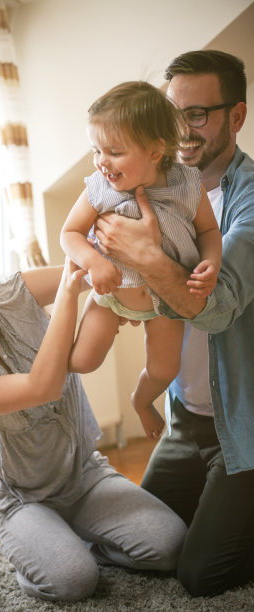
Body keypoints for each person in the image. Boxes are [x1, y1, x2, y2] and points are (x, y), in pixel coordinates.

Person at [0, 257, 186, 602]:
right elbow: (43, 387)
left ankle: (79, 544)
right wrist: (68, 295)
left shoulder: (11, 294)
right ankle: (47, 551)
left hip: (83, 476)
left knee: (172, 546)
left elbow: (93, 269)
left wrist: (130, 290)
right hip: (17, 498)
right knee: (73, 581)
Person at [93, 50, 254, 597]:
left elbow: (217, 305)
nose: (181, 128)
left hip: (244, 426)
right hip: (187, 417)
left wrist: (147, 261)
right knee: (136, 547)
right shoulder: (145, 183)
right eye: (172, 110)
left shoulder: (248, 201)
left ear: (236, 116)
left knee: (201, 574)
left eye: (199, 114)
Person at [60, 81, 221, 440]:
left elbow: (209, 232)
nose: (102, 161)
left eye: (113, 151)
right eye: (95, 150)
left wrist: (212, 262)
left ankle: (140, 400)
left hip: (166, 301)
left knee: (164, 370)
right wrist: (95, 262)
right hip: (111, 293)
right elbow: (69, 233)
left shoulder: (186, 184)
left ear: (155, 150)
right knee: (82, 361)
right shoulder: (100, 187)